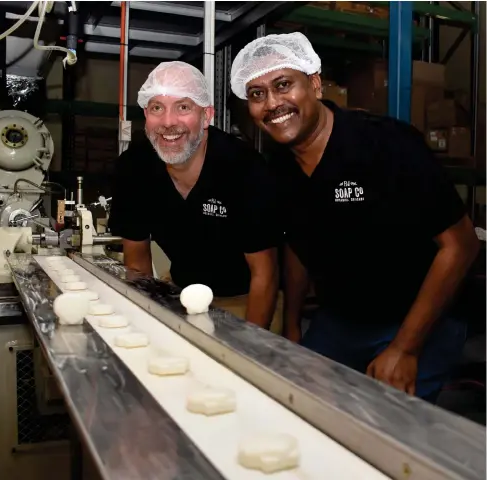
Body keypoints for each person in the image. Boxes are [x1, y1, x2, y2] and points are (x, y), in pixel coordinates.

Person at [230, 33, 480, 402]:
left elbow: (461, 245)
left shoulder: (387, 145)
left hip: (421, 315)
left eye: (283, 85)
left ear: (314, 84)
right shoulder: (279, 171)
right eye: (257, 94)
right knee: (296, 401)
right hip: (343, 319)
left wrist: (405, 348)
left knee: (389, 427)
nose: (272, 103)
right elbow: (299, 247)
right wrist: (294, 326)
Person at [108, 61, 282, 331]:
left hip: (247, 299)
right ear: (146, 115)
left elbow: (265, 273)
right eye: (157, 108)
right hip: (180, 293)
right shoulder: (134, 168)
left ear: (206, 116)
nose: (168, 122)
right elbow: (137, 260)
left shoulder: (244, 168)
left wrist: (252, 344)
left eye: (184, 107)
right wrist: (142, 325)